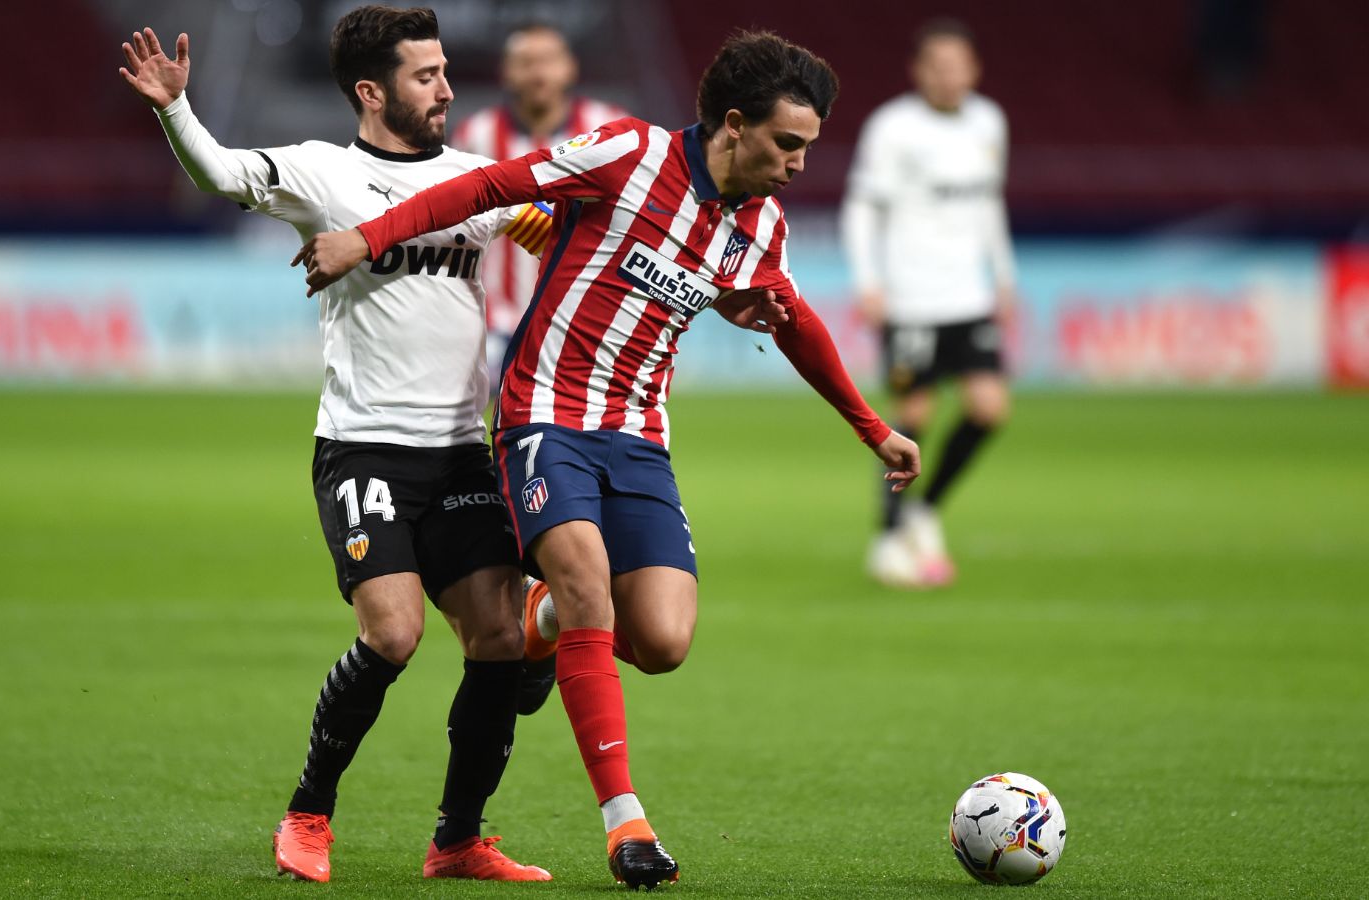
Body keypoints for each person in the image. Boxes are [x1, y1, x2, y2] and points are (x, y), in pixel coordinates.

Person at [296, 30, 922, 889]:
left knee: (662, 640)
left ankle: (543, 623)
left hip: (639, 440)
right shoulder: (627, 153)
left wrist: (870, 426)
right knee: (590, 583)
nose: (799, 165)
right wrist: (369, 237)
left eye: (807, 148)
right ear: (734, 126)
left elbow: (795, 319)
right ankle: (625, 826)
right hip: (542, 417)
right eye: (788, 144)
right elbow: (489, 183)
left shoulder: (759, 227)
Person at [117, 6, 554, 884]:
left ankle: (458, 839)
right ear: (372, 90)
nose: (446, 88)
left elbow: (558, 227)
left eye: (442, 71)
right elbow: (221, 173)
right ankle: (308, 815)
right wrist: (175, 109)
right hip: (364, 449)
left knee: (500, 637)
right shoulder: (325, 175)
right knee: (392, 635)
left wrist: (554, 228)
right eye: (426, 76)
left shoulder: (478, 181)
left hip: (460, 450)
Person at [840, 18, 1016, 588]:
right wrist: (869, 280)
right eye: (936, 66)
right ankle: (889, 538)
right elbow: (862, 207)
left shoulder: (990, 122)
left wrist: (1004, 276)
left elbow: (989, 206)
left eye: (957, 65)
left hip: (969, 295)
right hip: (913, 296)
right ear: (918, 71)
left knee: (989, 409)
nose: (948, 76)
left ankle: (925, 509)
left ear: (975, 69)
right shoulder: (893, 128)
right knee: (913, 417)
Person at [451, 22, 626, 378]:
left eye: (547, 60)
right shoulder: (476, 135)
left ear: (569, 67)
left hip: (585, 320)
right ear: (506, 72)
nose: (538, 72)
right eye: (526, 62)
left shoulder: (609, 128)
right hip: (496, 321)